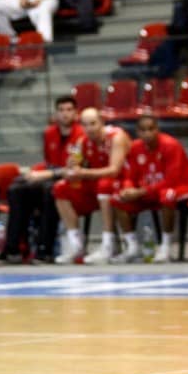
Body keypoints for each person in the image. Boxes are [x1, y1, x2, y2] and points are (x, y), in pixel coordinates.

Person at [0, 95, 85, 263]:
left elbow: (74, 169)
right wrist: (35, 174)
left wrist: (46, 174)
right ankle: (13, 249)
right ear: (56, 113)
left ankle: (44, 250)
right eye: (61, 110)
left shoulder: (81, 135)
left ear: (75, 113)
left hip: (72, 183)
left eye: (69, 110)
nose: (65, 114)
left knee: (50, 190)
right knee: (17, 189)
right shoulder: (49, 133)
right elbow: (49, 163)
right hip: (50, 178)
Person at [109, 115, 188, 263]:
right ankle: (132, 246)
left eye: (151, 129)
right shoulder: (134, 148)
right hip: (150, 191)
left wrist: (140, 192)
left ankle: (166, 246)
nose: (147, 133)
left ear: (157, 129)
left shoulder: (171, 145)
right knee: (117, 198)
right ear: (137, 132)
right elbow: (129, 176)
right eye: (143, 130)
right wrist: (128, 189)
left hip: (183, 187)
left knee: (167, 195)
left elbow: (171, 181)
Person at [52, 107, 130, 264]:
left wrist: (83, 172)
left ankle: (109, 244)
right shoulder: (82, 142)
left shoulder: (117, 137)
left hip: (122, 184)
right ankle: (76, 245)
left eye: (93, 124)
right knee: (60, 188)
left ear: (102, 122)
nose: (89, 129)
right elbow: (75, 168)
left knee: (104, 185)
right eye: (85, 125)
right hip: (96, 187)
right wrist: (71, 167)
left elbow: (114, 171)